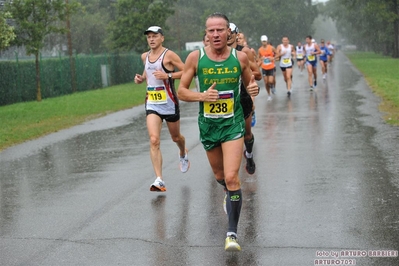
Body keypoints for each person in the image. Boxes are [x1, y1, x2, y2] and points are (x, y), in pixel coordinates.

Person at [177, 12, 260, 252]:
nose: (215, 34)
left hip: (232, 124)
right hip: (208, 125)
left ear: (228, 33)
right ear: (206, 34)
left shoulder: (240, 58)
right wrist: (202, 95)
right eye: (211, 30)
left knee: (233, 177)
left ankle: (232, 233)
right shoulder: (196, 58)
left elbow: (250, 83)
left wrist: (253, 88)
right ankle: (227, 190)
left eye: (220, 30)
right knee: (220, 175)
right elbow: (182, 91)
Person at [134, 26, 190, 192]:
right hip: (152, 103)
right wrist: (140, 78)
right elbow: (147, 74)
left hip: (169, 103)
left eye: (155, 36)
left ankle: (183, 152)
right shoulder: (145, 56)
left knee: (176, 137)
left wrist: (168, 76)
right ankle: (159, 179)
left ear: (162, 38)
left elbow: (188, 70)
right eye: (149, 37)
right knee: (154, 140)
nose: (151, 39)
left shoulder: (169, 55)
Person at [227, 23, 261, 175]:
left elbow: (257, 73)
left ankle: (249, 154)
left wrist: (248, 77)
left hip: (243, 98)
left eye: (230, 32)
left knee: (247, 135)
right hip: (224, 101)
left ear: (236, 34)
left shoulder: (244, 52)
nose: (227, 35)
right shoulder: (214, 53)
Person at [237, 31, 257, 127]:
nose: (238, 40)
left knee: (250, 96)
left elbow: (256, 65)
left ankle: (251, 110)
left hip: (248, 80)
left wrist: (246, 73)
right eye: (238, 38)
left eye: (240, 38)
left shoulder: (248, 51)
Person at [258, 35, 276, 101]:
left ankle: (272, 86)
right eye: (263, 41)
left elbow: (277, 54)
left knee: (270, 81)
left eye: (265, 41)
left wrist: (273, 58)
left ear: (267, 41)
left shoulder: (271, 48)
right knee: (266, 82)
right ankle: (269, 95)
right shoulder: (260, 50)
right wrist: (261, 58)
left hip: (271, 67)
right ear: (261, 42)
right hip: (264, 67)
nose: (264, 43)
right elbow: (258, 58)